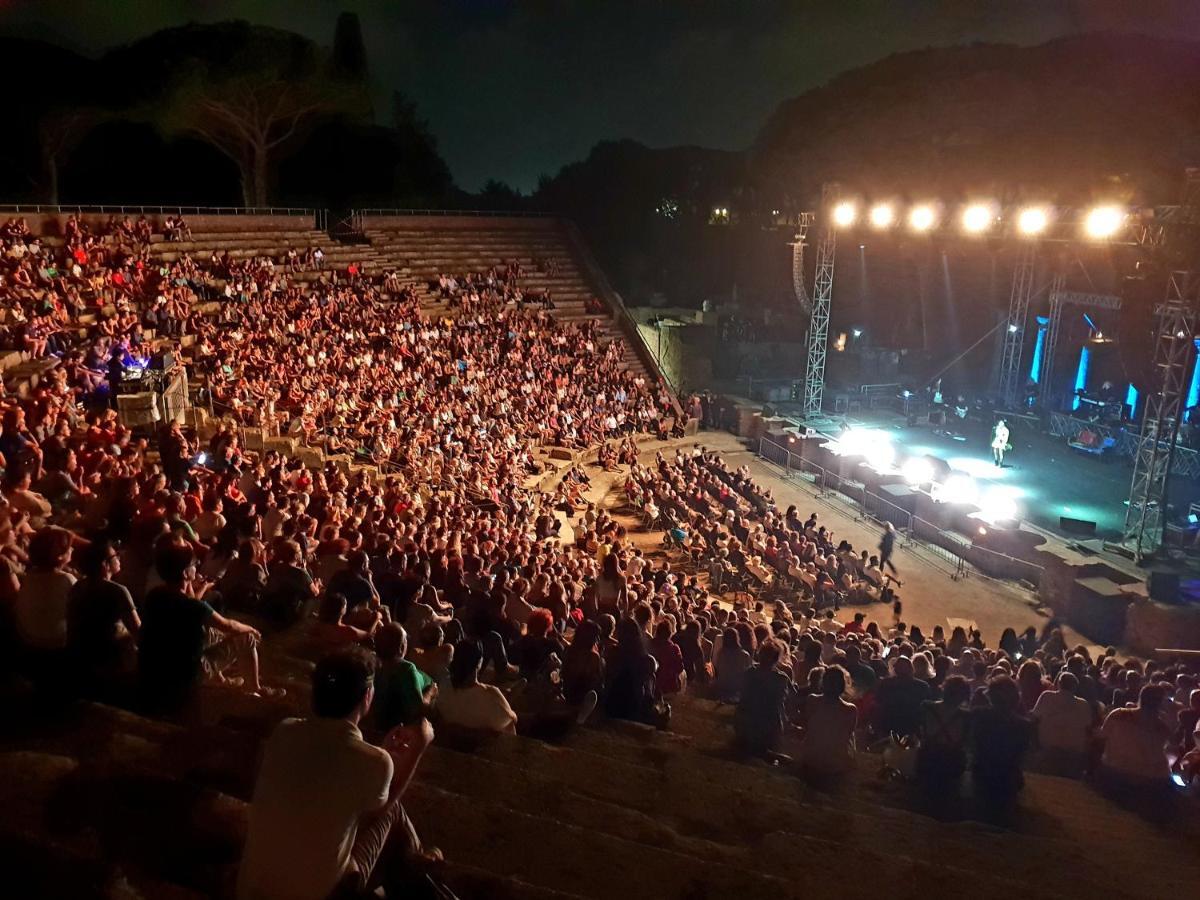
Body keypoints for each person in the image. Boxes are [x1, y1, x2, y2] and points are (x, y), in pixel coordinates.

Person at [238, 648, 437, 900]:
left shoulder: (284, 731)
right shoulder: (373, 762)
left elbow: (326, 774)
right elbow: (378, 811)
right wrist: (417, 748)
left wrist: (379, 755)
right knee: (394, 813)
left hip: (251, 890)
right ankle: (420, 869)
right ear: (367, 697)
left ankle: (416, 867)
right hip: (320, 895)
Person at [138, 543, 276, 712]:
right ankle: (253, 690)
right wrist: (250, 629)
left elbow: (189, 602)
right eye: (193, 565)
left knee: (212, 633)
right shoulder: (193, 607)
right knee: (247, 637)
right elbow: (228, 626)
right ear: (184, 573)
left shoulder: (155, 596)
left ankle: (221, 681)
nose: (196, 568)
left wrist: (189, 584)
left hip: (158, 664)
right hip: (187, 673)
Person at [436, 639, 517, 734]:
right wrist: (512, 714)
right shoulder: (490, 695)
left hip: (451, 746)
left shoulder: (442, 687)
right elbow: (510, 726)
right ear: (479, 662)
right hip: (487, 747)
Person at [370, 623, 435, 734]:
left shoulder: (370, 662)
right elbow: (418, 711)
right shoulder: (405, 669)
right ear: (401, 648)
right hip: (399, 731)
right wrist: (430, 692)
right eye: (405, 640)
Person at [734, 638, 792, 760]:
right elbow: (782, 703)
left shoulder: (749, 673)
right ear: (776, 659)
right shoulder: (780, 679)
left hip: (746, 724)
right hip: (767, 726)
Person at [1030, 671, 1095, 777]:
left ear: (1058, 684)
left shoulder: (1047, 697)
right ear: (1075, 687)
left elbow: (1034, 718)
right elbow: (1088, 729)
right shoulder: (1083, 704)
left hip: (1048, 750)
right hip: (1073, 754)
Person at [800, 665, 857, 779]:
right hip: (836, 764)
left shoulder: (812, 700)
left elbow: (807, 725)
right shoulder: (850, 710)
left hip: (811, 759)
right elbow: (848, 734)